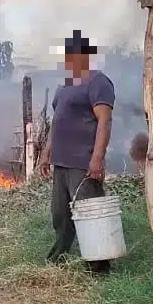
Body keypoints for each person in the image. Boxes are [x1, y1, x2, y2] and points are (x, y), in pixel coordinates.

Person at [41, 31, 115, 272]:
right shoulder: (64, 87)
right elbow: (57, 122)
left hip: (82, 162)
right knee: (60, 216)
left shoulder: (98, 82)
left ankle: (99, 266)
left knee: (89, 213)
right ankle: (59, 256)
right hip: (61, 163)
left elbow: (104, 121)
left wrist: (97, 158)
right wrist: (46, 153)